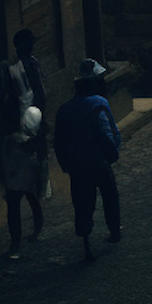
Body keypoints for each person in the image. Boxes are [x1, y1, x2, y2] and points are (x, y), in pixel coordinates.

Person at [52, 59, 122, 263]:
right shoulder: (99, 104)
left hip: (76, 164)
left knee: (82, 202)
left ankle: (86, 241)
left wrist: (66, 163)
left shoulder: (64, 110)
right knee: (109, 195)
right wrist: (111, 154)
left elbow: (59, 141)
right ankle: (114, 230)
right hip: (98, 161)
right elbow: (106, 133)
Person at [0, 105, 47, 260]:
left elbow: (5, 161)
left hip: (14, 182)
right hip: (29, 179)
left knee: (13, 211)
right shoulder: (38, 142)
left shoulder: (11, 140)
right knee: (34, 202)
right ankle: (36, 231)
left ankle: (15, 246)